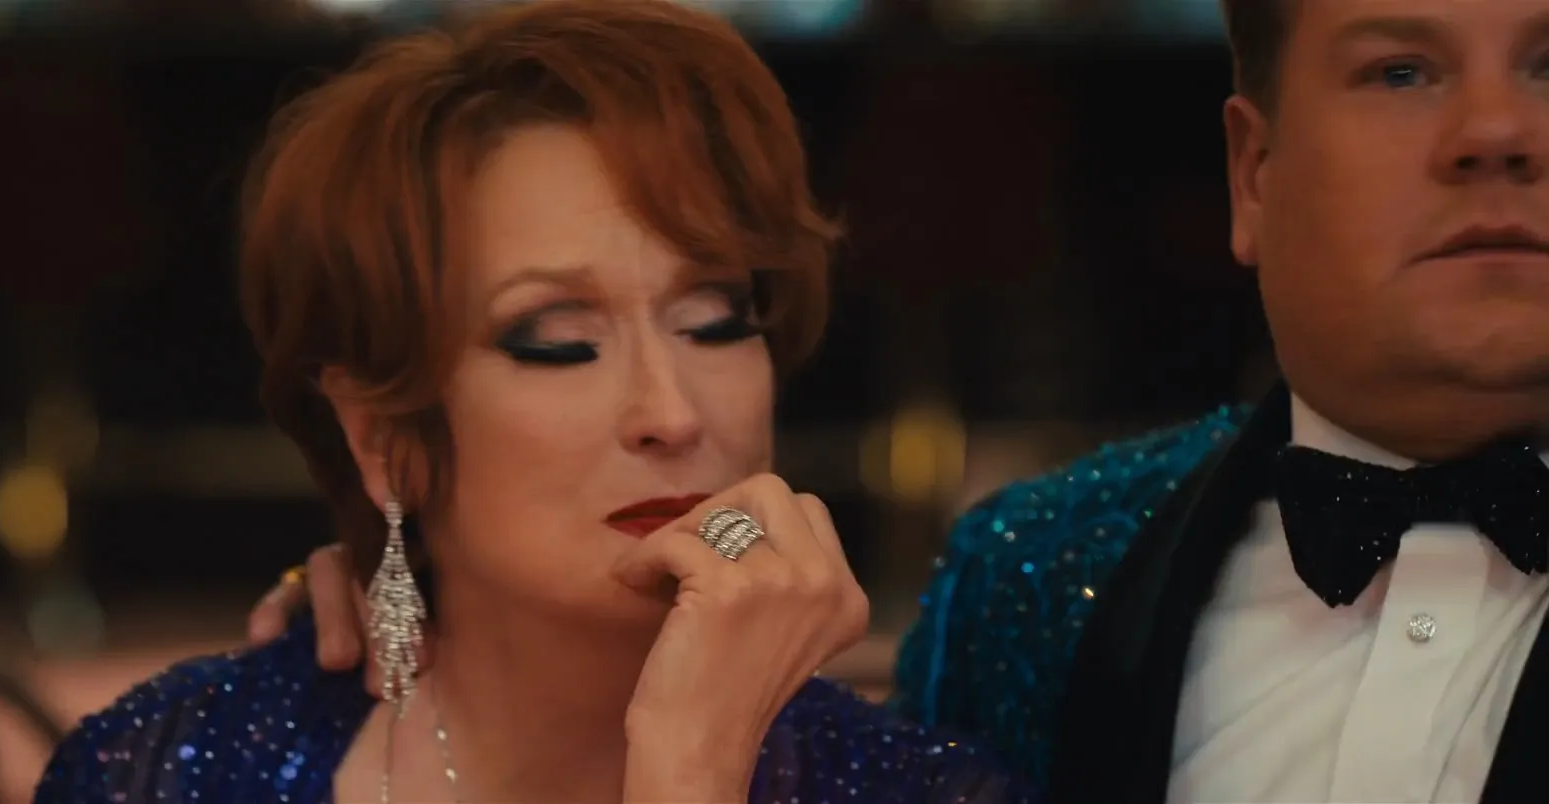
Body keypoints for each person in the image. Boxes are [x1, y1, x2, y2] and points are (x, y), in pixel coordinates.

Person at [251, 0, 1549, 801]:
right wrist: (400, 571)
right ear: (1252, 170)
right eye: (1401, 70)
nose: (1496, 132)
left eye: (716, 321)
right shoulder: (1040, 565)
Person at [33, 2, 1038, 802]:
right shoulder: (164, 771)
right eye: (559, 343)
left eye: (714, 322)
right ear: (382, 435)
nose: (672, 413)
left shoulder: (920, 789)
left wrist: (692, 767)